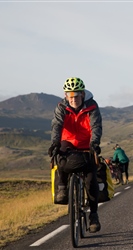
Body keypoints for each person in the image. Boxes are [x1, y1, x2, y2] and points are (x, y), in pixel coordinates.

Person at [48, 77, 102, 233]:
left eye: (76, 96)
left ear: (83, 94)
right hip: (68, 142)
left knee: (91, 177)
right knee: (59, 155)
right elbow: (57, 126)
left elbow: (96, 126)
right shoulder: (61, 107)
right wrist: (55, 143)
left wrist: (94, 143)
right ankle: (63, 187)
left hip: (87, 144)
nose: (73, 99)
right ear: (66, 96)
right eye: (70, 96)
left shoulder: (92, 106)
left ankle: (93, 215)